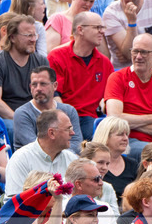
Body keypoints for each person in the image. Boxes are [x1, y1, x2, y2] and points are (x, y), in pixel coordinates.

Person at [104, 33, 152, 160]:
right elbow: (114, 119)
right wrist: (151, 118)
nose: (138, 57)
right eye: (135, 51)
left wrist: (128, 121)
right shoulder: (117, 78)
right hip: (125, 139)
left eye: (144, 52)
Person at [46, 12, 114, 143]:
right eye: (97, 28)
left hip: (93, 118)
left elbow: (109, 98)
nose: (102, 32)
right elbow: (54, 96)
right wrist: (68, 121)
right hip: (64, 116)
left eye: (102, 28)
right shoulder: (57, 57)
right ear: (80, 29)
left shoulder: (104, 63)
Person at [0, 15, 49, 125]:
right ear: (12, 37)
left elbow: (47, 96)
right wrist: (20, 119)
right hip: (8, 117)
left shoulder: (41, 61)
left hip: (35, 114)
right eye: (28, 35)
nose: (33, 40)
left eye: (34, 35)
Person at [4, 109, 78, 196]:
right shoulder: (21, 159)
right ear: (52, 133)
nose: (73, 133)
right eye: (68, 129)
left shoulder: (72, 159)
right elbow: (13, 202)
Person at [13, 67, 83, 155]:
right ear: (30, 87)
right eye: (34, 84)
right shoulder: (23, 113)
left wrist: (62, 157)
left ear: (55, 86)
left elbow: (77, 143)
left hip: (64, 162)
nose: (38, 88)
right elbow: (34, 147)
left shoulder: (69, 111)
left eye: (43, 84)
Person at [90, 118, 139, 201]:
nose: (125, 138)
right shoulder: (91, 163)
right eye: (120, 134)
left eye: (126, 134)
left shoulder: (133, 164)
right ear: (105, 136)